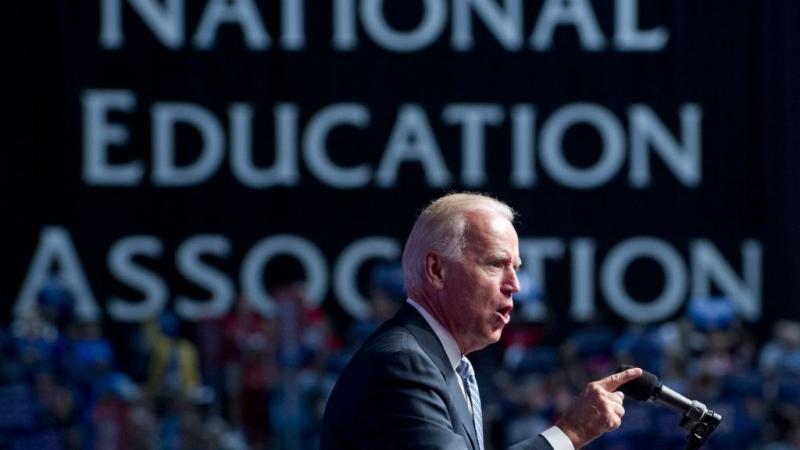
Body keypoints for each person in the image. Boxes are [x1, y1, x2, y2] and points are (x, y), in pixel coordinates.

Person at [321, 193, 642, 450]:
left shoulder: (444, 363)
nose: (514, 285)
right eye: (496, 264)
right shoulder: (402, 363)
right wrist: (570, 433)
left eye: (515, 268)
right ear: (436, 270)